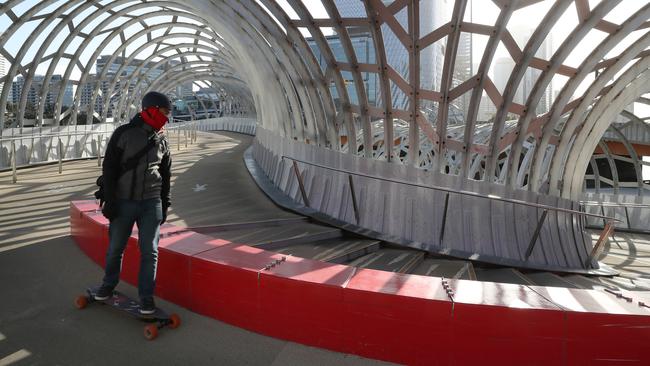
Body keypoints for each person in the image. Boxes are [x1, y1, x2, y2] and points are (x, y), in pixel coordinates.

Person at [95, 91, 172, 314]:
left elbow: (166, 174)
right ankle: (108, 285)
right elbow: (109, 168)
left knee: (150, 251)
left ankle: (146, 297)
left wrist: (164, 203)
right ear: (151, 109)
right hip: (123, 201)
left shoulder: (162, 139)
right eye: (164, 112)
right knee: (116, 248)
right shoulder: (124, 134)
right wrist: (110, 200)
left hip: (151, 202)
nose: (167, 117)